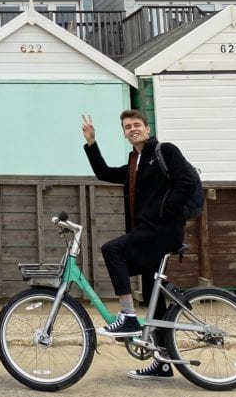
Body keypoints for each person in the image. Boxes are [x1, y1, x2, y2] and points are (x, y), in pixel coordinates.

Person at [81, 110, 198, 380]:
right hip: (148, 232)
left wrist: (165, 211)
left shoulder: (164, 151)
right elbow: (104, 173)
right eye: (127, 126)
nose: (132, 129)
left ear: (147, 129)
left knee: (112, 250)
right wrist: (91, 143)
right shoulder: (136, 161)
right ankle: (163, 363)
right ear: (124, 133)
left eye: (136, 125)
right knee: (153, 300)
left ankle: (128, 317)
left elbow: (187, 181)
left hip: (162, 231)